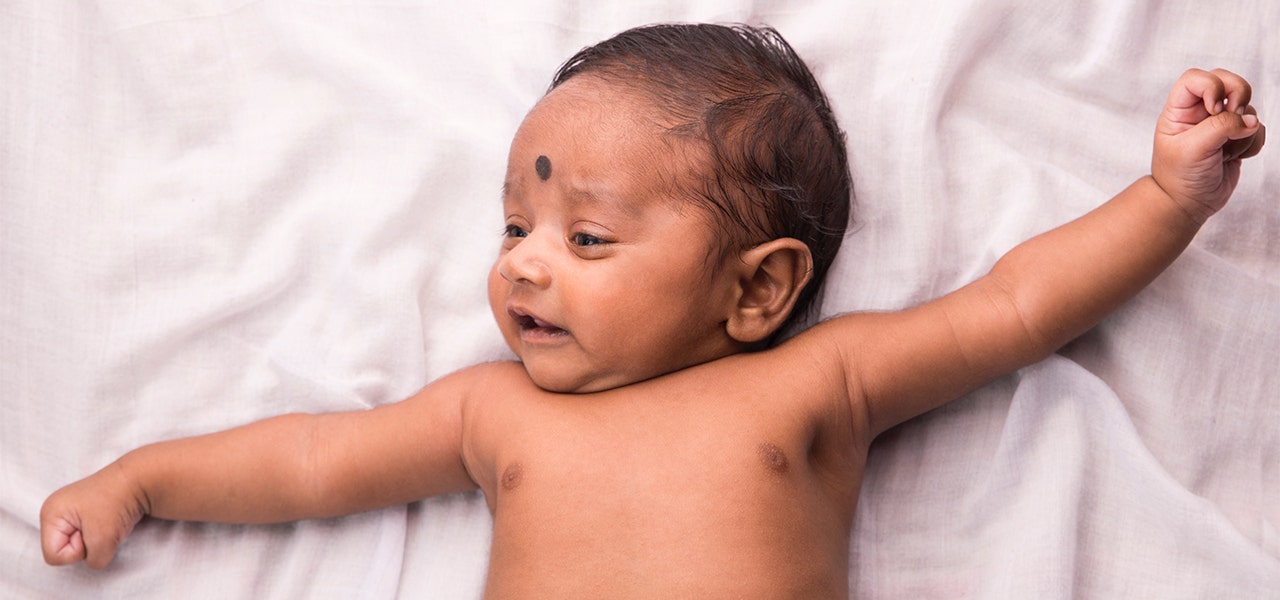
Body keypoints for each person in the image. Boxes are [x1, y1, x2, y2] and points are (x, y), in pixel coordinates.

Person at [40, 23, 1264, 598]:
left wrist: (1164, 199)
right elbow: (310, 462)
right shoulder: (492, 411)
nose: (523, 267)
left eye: (584, 239)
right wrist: (140, 480)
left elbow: (1011, 309)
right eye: (515, 229)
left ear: (757, 289)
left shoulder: (813, 382)